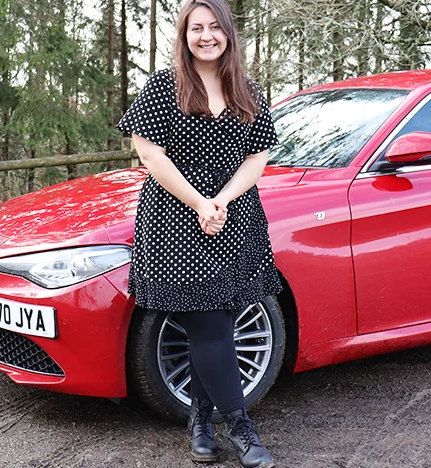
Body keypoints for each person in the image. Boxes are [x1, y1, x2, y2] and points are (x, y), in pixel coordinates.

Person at [115, 0, 282, 466]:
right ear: (184, 36)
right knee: (207, 324)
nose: (205, 35)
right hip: (176, 217)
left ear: (228, 33)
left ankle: (200, 420)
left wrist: (223, 200)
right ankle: (241, 427)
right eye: (196, 28)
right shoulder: (164, 87)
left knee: (219, 322)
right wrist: (200, 204)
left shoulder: (248, 90)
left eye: (214, 27)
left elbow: (258, 157)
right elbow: (149, 154)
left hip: (232, 216)